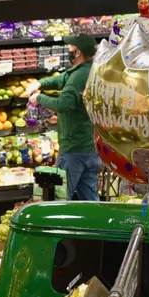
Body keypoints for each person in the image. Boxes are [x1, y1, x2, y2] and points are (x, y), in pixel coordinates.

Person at [27, 35, 100, 202]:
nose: (68, 50)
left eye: (71, 48)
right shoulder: (89, 69)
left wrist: (40, 98)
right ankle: (92, 225)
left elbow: (63, 104)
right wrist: (40, 84)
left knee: (58, 197)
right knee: (89, 197)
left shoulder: (78, 77)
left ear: (78, 53)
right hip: (90, 145)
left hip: (74, 148)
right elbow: (62, 79)